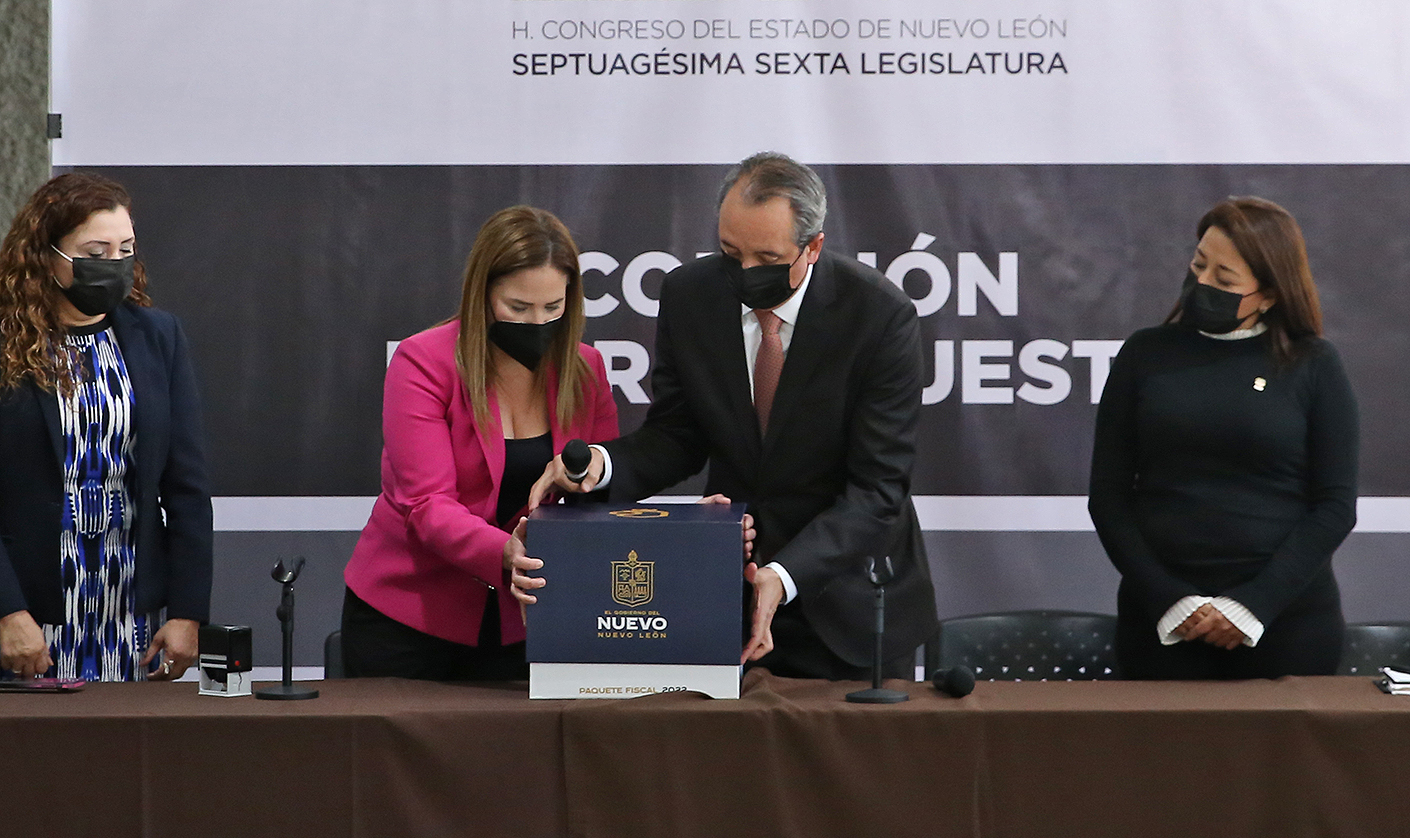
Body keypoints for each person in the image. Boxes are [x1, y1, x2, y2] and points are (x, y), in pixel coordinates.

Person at [529, 152, 937, 681]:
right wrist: (599, 467)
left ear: (812, 247)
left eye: (767, 258)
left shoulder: (879, 317)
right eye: (729, 253)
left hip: (853, 607)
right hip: (729, 598)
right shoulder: (690, 295)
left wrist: (783, 574)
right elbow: (677, 435)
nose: (744, 274)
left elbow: (878, 490)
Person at [341, 205, 618, 680]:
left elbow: (607, 490)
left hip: (532, 618)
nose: (537, 323)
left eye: (553, 308)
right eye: (518, 308)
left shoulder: (587, 369)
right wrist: (504, 552)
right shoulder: (423, 361)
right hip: (410, 618)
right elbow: (427, 504)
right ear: (482, 294)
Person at [1089, 196, 1358, 680]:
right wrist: (1171, 601)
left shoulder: (1313, 364)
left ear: (1270, 294)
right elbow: (1108, 496)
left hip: (1285, 628)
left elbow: (1335, 506)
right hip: (1162, 625)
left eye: (1225, 279)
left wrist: (1251, 607)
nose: (1202, 283)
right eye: (1199, 265)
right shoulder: (1145, 354)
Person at [0, 172, 213, 682]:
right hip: (27, 610)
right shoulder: (8, 342)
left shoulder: (158, 336)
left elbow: (186, 486)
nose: (114, 264)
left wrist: (188, 612)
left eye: (126, 250)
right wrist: (6, 610)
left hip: (128, 611)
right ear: (46, 255)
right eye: (96, 252)